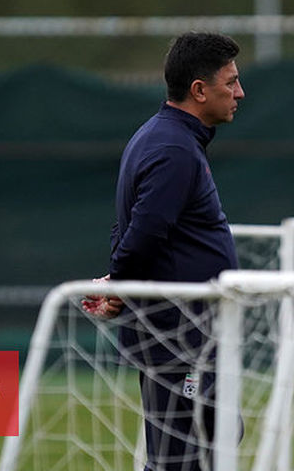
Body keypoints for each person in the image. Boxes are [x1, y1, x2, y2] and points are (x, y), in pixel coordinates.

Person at [83, 31, 245, 471]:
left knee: (217, 432)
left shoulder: (167, 138)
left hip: (185, 334)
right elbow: (145, 228)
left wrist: (119, 281)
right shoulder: (172, 147)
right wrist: (120, 282)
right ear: (199, 90)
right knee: (182, 455)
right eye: (229, 82)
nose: (239, 92)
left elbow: (135, 226)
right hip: (178, 337)